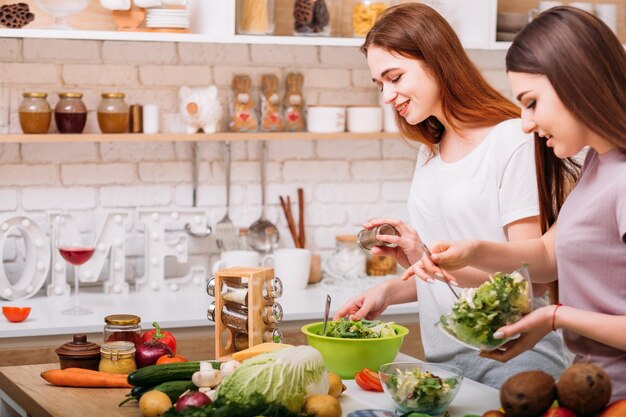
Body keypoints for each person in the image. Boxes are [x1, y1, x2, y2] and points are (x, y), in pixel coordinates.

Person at [334, 2, 571, 388]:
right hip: (444, 362)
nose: (387, 96)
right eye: (380, 84)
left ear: (435, 60)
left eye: (394, 77)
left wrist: (428, 258)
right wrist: (389, 290)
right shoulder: (429, 153)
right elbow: (446, 277)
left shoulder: (510, 138)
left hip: (513, 359)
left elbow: (533, 279)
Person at [410, 7, 626, 401]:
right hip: (591, 391)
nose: (525, 123)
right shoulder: (598, 161)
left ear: (578, 83)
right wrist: (475, 251)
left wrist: (555, 317)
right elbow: (546, 255)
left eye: (531, 102)